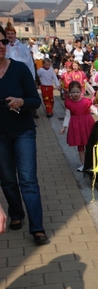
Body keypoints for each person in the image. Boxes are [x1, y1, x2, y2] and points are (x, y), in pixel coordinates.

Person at [0, 25, 50, 245]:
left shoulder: (19, 69)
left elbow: (35, 100)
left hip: (23, 131)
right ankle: (16, 213)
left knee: (28, 179)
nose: (1, 47)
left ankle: (37, 227)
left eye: (3, 42)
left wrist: (22, 102)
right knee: (8, 180)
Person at [60, 81, 95, 170]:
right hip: (76, 126)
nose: (75, 94)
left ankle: (91, 163)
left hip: (87, 125)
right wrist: (64, 127)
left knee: (89, 144)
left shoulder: (86, 101)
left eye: (77, 92)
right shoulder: (68, 103)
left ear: (81, 91)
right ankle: (84, 165)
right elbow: (67, 115)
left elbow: (94, 110)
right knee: (80, 146)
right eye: (73, 92)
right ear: (69, 93)